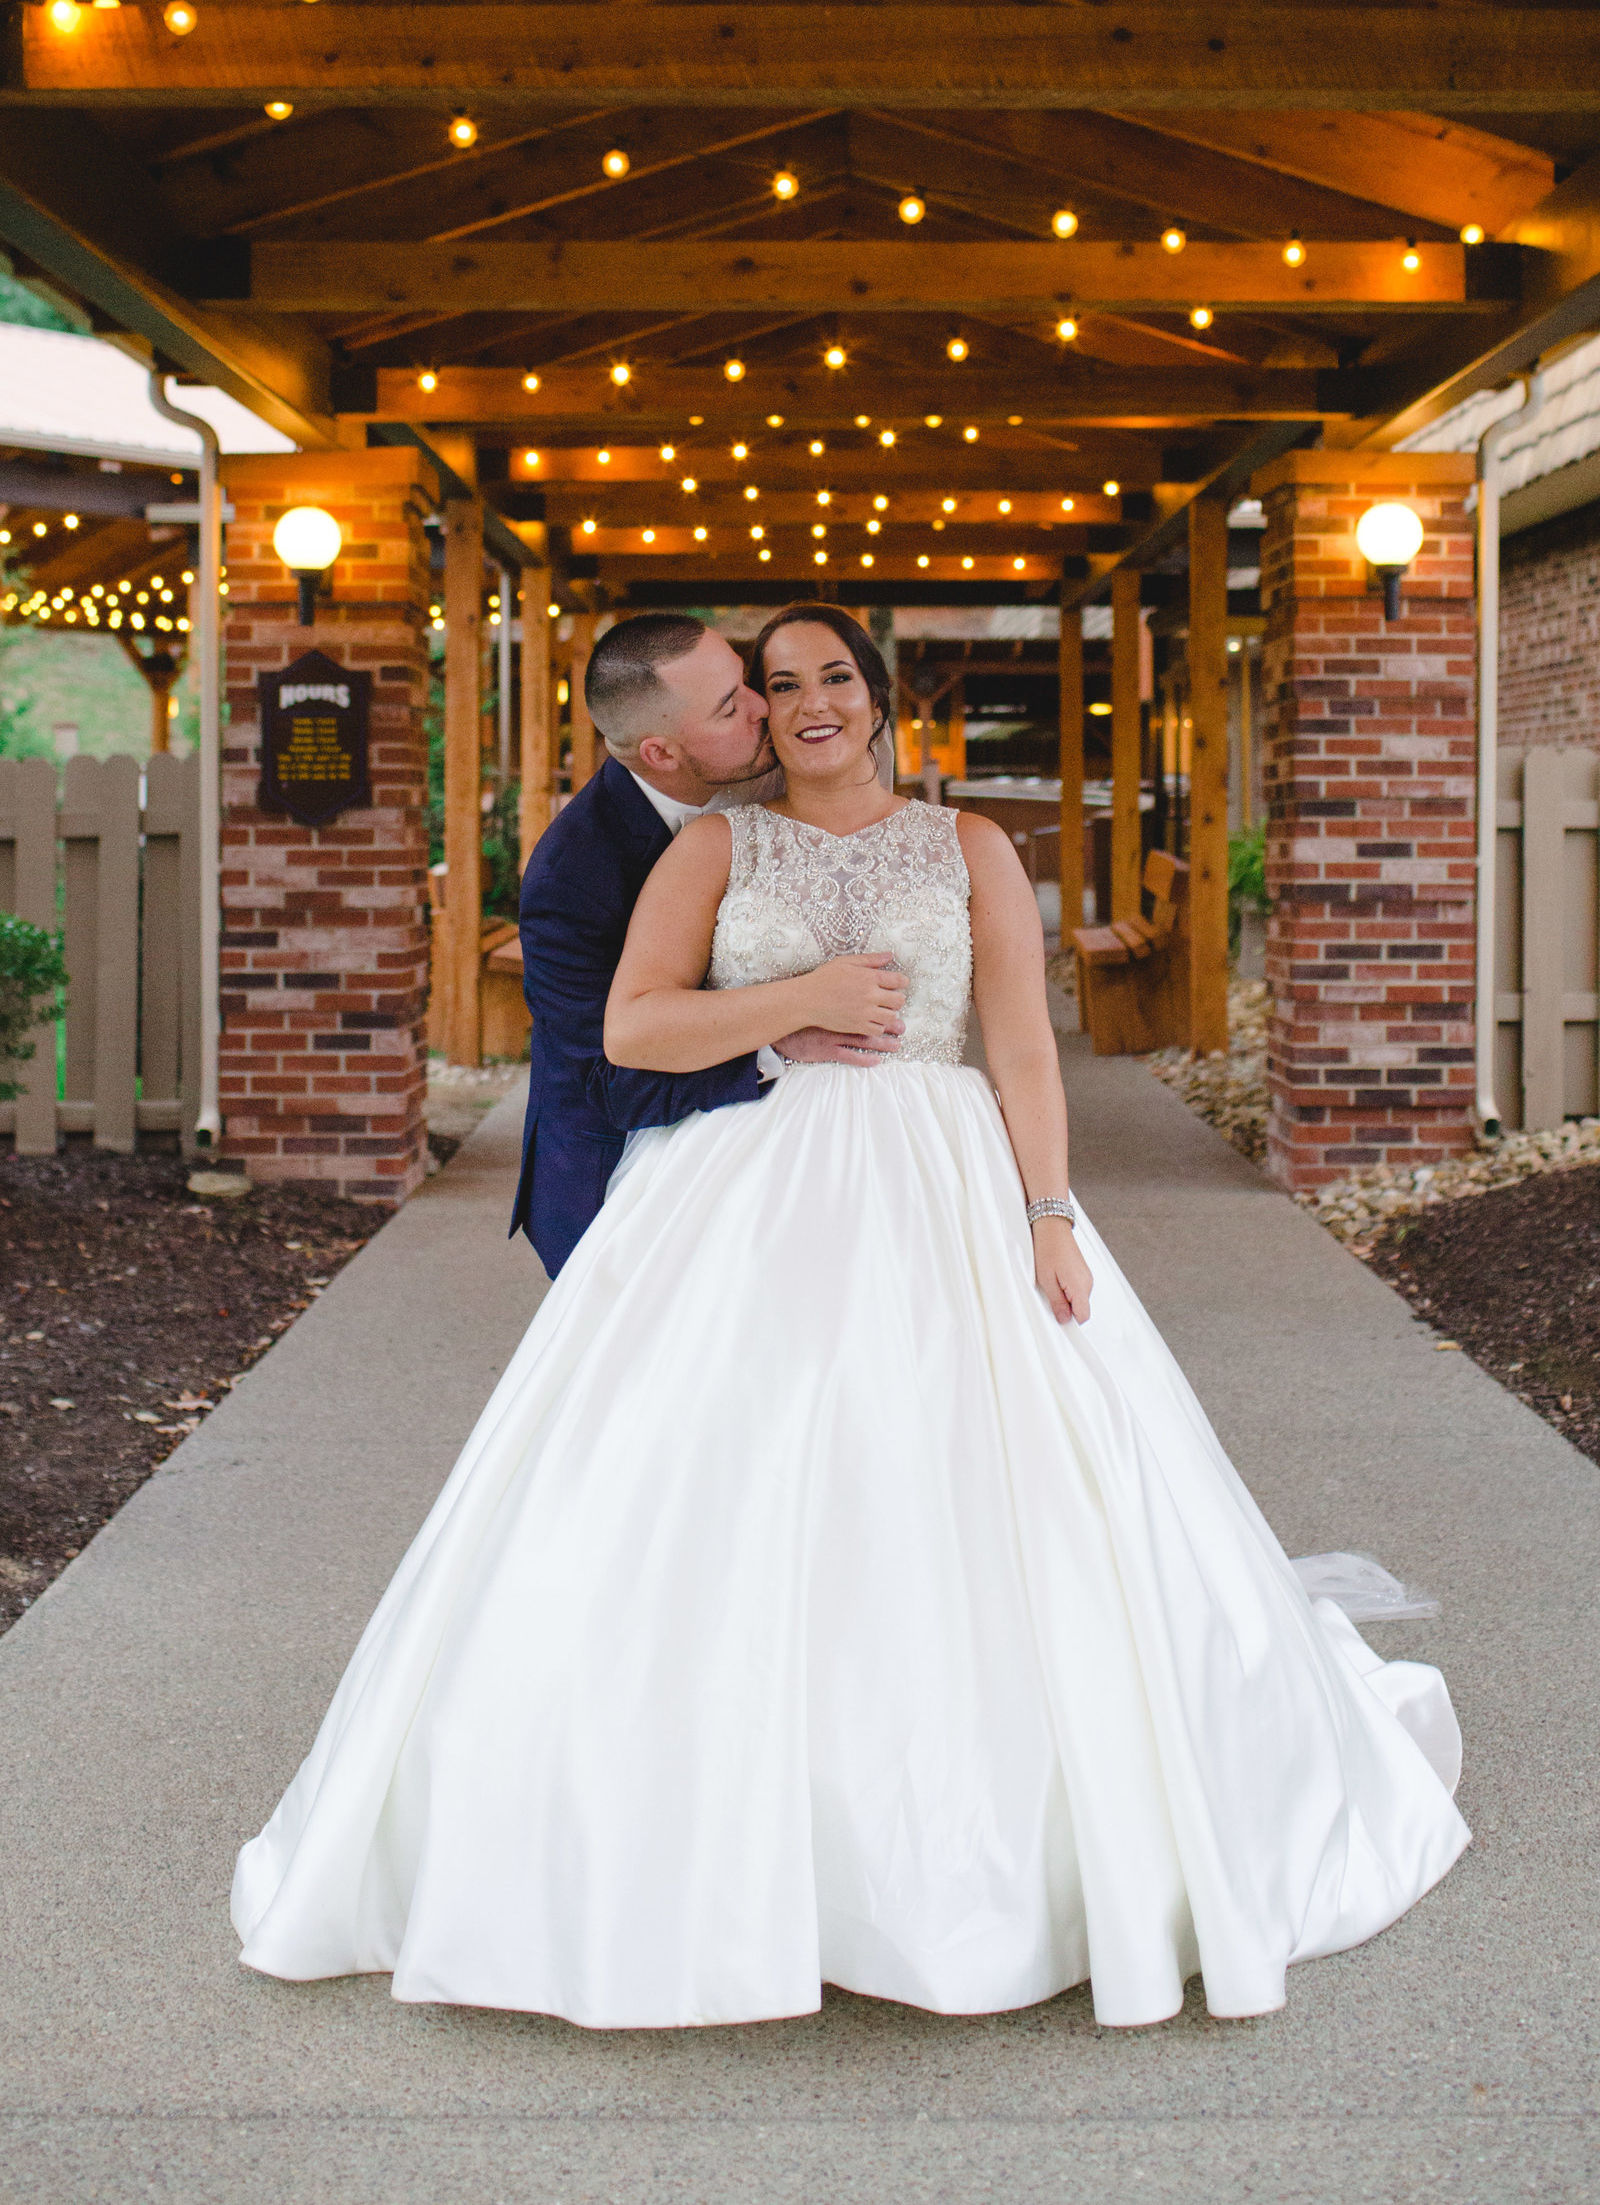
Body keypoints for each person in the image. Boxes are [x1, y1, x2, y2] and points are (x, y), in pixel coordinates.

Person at [233, 606, 1468, 2031]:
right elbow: (631, 1028)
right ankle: (696, 1860)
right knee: (712, 1495)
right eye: (776, 686)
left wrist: (1050, 1213)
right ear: (745, 715)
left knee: (976, 1491)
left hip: (945, 1184)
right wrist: (789, 1003)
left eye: (834, 678)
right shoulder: (709, 848)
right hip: (744, 1191)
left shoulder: (972, 848)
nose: (806, 703)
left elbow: (1016, 1044)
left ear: (879, 700)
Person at [508, 611, 901, 1276]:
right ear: (661, 753)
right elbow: (611, 1080)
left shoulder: (773, 774)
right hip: (616, 1183)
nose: (762, 708)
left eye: (747, 682)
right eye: (728, 709)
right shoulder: (572, 879)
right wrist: (780, 1038)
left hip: (781, 1149)